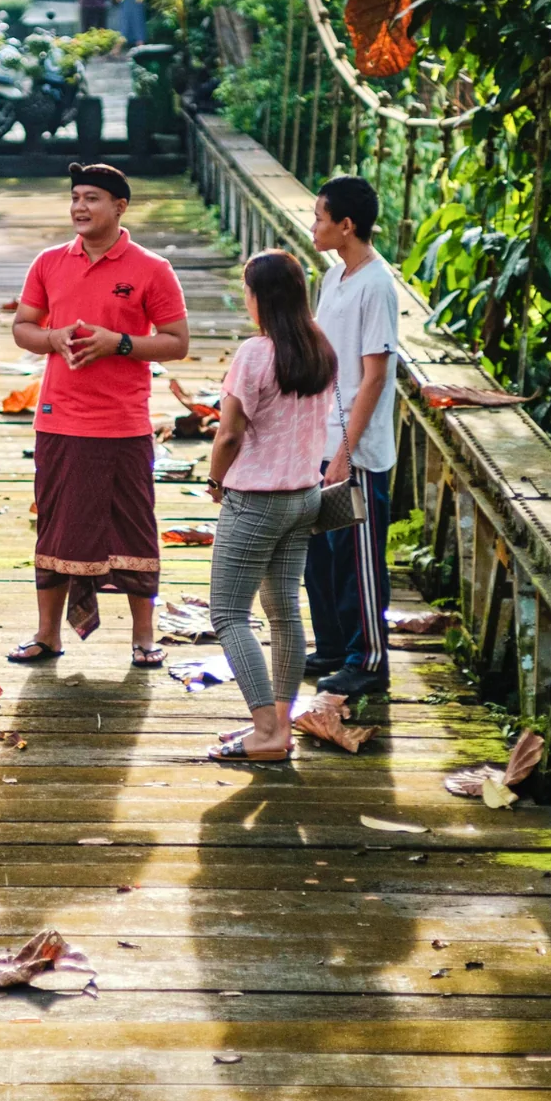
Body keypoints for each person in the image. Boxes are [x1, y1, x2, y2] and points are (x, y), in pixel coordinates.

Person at [7, 162, 189, 667]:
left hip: (122, 423)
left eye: (92, 198)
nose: (80, 208)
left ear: (120, 207)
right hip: (58, 418)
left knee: (131, 526)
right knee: (56, 525)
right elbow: (24, 326)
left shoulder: (152, 269)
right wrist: (53, 338)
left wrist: (120, 344)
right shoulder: (48, 262)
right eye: (75, 198)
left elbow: (177, 342)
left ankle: (144, 637)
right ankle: (48, 634)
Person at [204, 251, 336, 761]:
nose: (246, 300)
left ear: (261, 297)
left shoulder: (255, 354)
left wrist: (216, 481)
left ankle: (264, 730)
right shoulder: (320, 346)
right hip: (304, 498)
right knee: (283, 613)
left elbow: (230, 433)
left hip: (257, 500)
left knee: (229, 613)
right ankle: (277, 728)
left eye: (247, 291)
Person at [304, 175, 399, 698]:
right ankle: (335, 647)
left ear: (347, 225)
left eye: (321, 218)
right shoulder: (334, 277)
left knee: (360, 558)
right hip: (321, 438)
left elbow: (375, 375)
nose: (314, 226)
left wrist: (345, 452)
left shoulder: (377, 284)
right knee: (322, 554)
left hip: (356, 448)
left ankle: (370, 659)